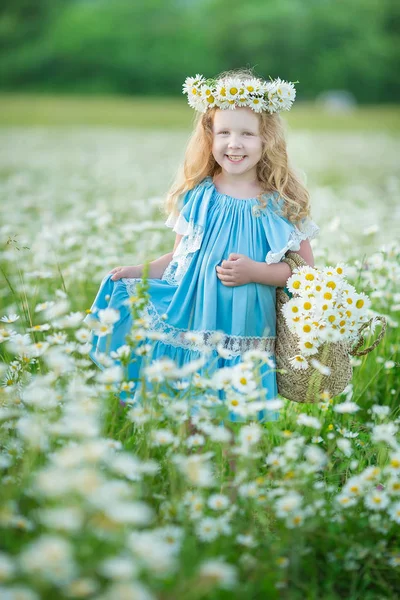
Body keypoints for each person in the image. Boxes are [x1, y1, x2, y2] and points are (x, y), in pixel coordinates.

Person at [83, 67, 319, 423]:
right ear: (209, 137)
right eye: (223, 132)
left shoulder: (281, 203)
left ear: (266, 139)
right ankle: (194, 474)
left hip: (246, 326)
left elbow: (305, 274)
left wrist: (256, 272)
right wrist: (139, 271)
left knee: (237, 416)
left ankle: (234, 475)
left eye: (246, 134)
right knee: (194, 403)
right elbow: (179, 258)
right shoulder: (199, 196)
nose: (234, 144)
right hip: (196, 317)